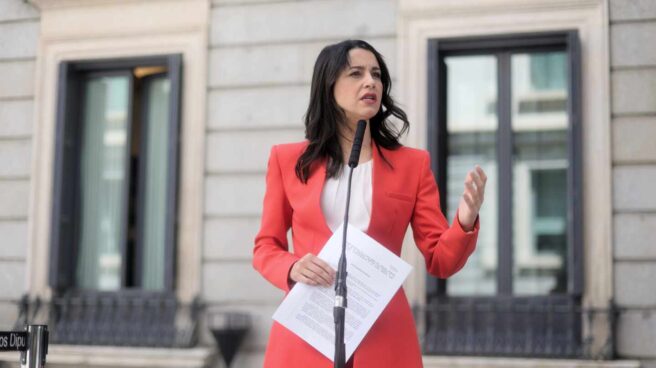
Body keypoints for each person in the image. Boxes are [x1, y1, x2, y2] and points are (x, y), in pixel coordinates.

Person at [252, 39, 487, 368]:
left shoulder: (412, 165)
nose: (370, 82)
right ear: (328, 85)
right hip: (306, 332)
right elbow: (265, 247)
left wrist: (464, 221)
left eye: (376, 74)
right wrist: (291, 267)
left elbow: (441, 260)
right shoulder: (288, 160)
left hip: (383, 335)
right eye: (356, 73)